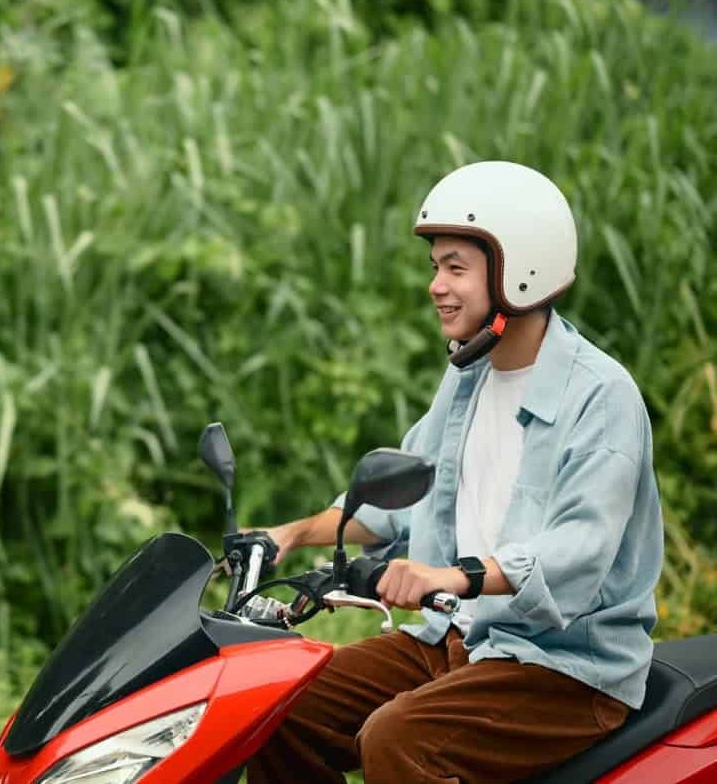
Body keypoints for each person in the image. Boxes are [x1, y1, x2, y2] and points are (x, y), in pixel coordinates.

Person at [245, 161, 664, 784]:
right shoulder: (469, 375)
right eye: (435, 266)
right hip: (455, 640)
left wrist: (450, 575)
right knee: (278, 705)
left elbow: (575, 554)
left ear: (519, 271)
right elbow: (402, 501)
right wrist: (292, 534)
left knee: (400, 739)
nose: (436, 286)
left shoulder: (601, 398)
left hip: (565, 667)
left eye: (455, 268)